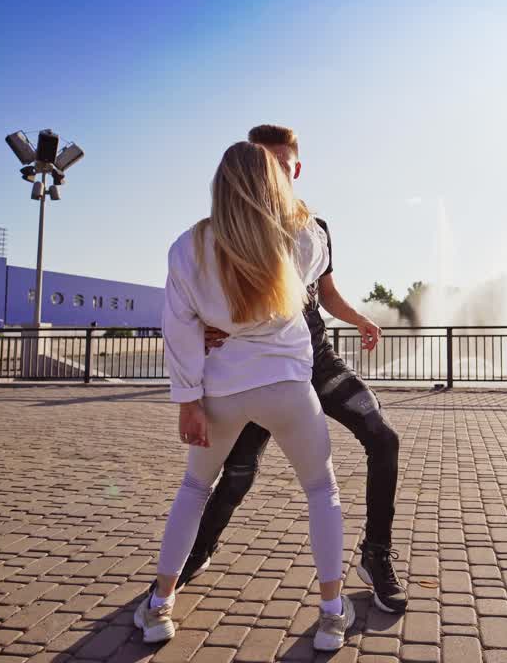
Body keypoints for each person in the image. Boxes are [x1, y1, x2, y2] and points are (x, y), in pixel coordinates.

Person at [178, 124, 407, 615]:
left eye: (281, 165)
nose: (272, 174)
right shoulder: (226, 233)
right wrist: (205, 332)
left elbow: (326, 293)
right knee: (237, 472)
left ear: (295, 169)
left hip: (315, 359)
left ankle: (376, 555)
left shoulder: (313, 228)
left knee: (383, 436)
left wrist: (360, 318)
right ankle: (196, 551)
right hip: (262, 368)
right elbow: (199, 299)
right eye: (263, 164)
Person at [136, 141, 354, 651]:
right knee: (321, 491)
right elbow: (308, 276)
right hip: (289, 388)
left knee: (194, 489)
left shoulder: (187, 247)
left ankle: (159, 605)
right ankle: (331, 615)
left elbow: (179, 329)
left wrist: (188, 400)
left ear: (220, 184)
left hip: (222, 391)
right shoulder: (303, 236)